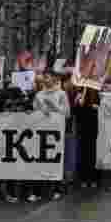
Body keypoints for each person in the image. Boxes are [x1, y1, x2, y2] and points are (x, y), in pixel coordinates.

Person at [33, 72, 71, 201]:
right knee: (40, 160)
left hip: (56, 133)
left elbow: (67, 114)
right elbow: (34, 111)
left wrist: (54, 107)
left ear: (54, 79)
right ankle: (38, 191)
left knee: (56, 160)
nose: (44, 79)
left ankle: (56, 189)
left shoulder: (61, 94)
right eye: (43, 77)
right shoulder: (39, 95)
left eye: (47, 77)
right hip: (42, 131)